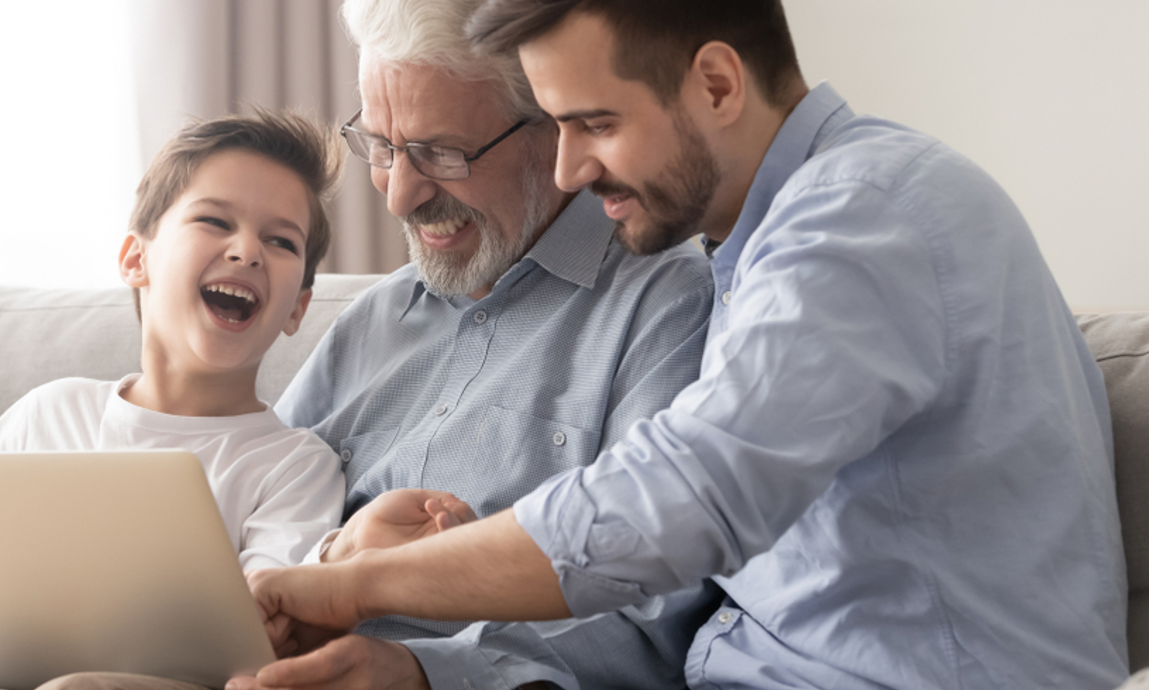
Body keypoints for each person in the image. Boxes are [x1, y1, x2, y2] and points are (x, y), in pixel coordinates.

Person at [247, 2, 1131, 689]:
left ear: (716, 84)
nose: (570, 172)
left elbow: (676, 499)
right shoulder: (777, 241)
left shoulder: (864, 214)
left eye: (594, 124)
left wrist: (358, 586)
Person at [228, 0, 718, 687]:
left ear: (555, 124)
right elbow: (247, 513)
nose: (398, 195)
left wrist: (422, 672)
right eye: (384, 146)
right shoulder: (374, 321)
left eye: (441, 153)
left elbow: (655, 624)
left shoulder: (669, 309)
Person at [0, 111, 347, 572]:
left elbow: (269, 619)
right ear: (135, 260)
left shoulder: (294, 469)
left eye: (281, 242)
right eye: (214, 220)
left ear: (297, 308)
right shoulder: (49, 415)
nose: (247, 251)